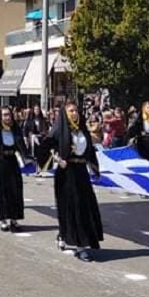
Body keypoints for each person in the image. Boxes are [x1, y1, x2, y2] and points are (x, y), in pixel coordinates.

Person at [45, 101, 103, 262]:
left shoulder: (82, 129)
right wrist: (57, 158)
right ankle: (75, 243)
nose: (74, 113)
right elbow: (46, 147)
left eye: (76, 110)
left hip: (81, 172)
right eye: (71, 111)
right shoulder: (59, 130)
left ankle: (79, 242)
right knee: (70, 207)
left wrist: (94, 167)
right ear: (65, 113)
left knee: (84, 207)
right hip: (66, 173)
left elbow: (89, 150)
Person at [0, 106, 28, 232]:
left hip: (12, 162)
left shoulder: (15, 129)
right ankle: (3, 219)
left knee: (15, 190)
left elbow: (21, 146)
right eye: (5, 115)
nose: (7, 117)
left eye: (9, 115)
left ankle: (14, 219)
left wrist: (26, 158)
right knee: (1, 191)